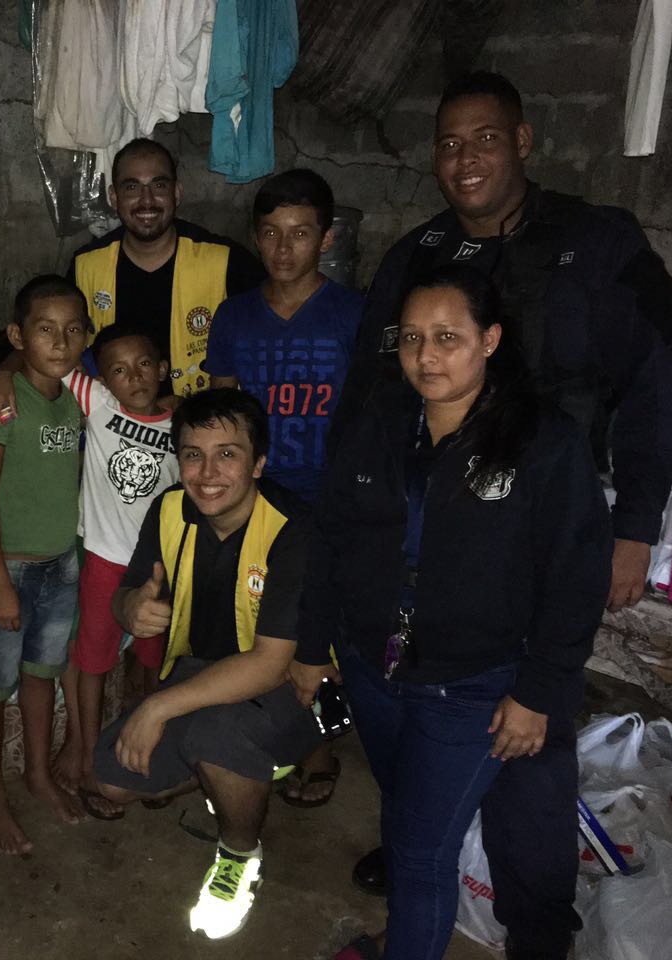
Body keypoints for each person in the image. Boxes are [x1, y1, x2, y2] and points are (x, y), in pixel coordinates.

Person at [335, 70, 672, 919]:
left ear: (524, 141)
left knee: (530, 742)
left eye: (487, 138)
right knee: (418, 706)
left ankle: (534, 921)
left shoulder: (598, 242)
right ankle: (422, 838)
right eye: (449, 144)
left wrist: (636, 524)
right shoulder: (416, 257)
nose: (465, 158)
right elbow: (368, 400)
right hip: (439, 535)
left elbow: (659, 385)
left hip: (546, 527)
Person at [291, 267, 611, 960]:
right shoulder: (380, 419)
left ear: (489, 340)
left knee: (417, 854)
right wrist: (312, 645)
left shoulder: (542, 440)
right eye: (411, 339)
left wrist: (539, 692)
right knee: (404, 809)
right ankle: (409, 930)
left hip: (470, 685)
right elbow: (331, 536)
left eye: (447, 338)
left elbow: (577, 576)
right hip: (374, 669)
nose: (425, 357)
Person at [94, 388, 321, 941]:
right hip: (198, 673)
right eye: (193, 454)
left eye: (228, 454)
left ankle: (240, 853)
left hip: (290, 685)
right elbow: (126, 594)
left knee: (214, 734)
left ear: (258, 463)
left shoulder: (293, 528)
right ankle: (232, 773)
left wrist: (157, 708)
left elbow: (269, 664)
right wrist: (132, 608)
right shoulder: (170, 508)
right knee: (111, 778)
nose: (208, 473)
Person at [205, 168, 362, 808]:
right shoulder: (235, 315)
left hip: (329, 496)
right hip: (259, 498)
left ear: (326, 238)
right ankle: (269, 736)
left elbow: (370, 414)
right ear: (255, 236)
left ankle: (320, 747)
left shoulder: (354, 315)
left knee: (320, 632)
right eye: (271, 233)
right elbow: (222, 413)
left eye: (300, 233)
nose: (284, 247)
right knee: (261, 624)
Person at [0, 137, 266, 420]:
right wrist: (4, 373)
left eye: (159, 185)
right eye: (132, 187)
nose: (146, 200)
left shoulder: (224, 260)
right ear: (113, 196)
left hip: (200, 425)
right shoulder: (88, 265)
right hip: (112, 427)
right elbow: (40, 336)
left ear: (177, 193)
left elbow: (271, 332)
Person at [0, 274, 89, 854]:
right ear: (19, 335)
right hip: (10, 569)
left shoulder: (75, 398)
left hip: (61, 566)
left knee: (42, 676)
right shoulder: (2, 405)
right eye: (45, 330)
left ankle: (38, 774)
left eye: (73, 330)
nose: (60, 342)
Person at [53, 324, 180, 820]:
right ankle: (88, 754)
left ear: (163, 368)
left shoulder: (183, 426)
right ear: (103, 380)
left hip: (158, 566)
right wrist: (0, 373)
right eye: (120, 371)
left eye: (144, 365)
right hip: (104, 559)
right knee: (93, 658)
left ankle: (146, 748)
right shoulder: (100, 405)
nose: (135, 377)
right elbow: (50, 356)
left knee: (153, 661)